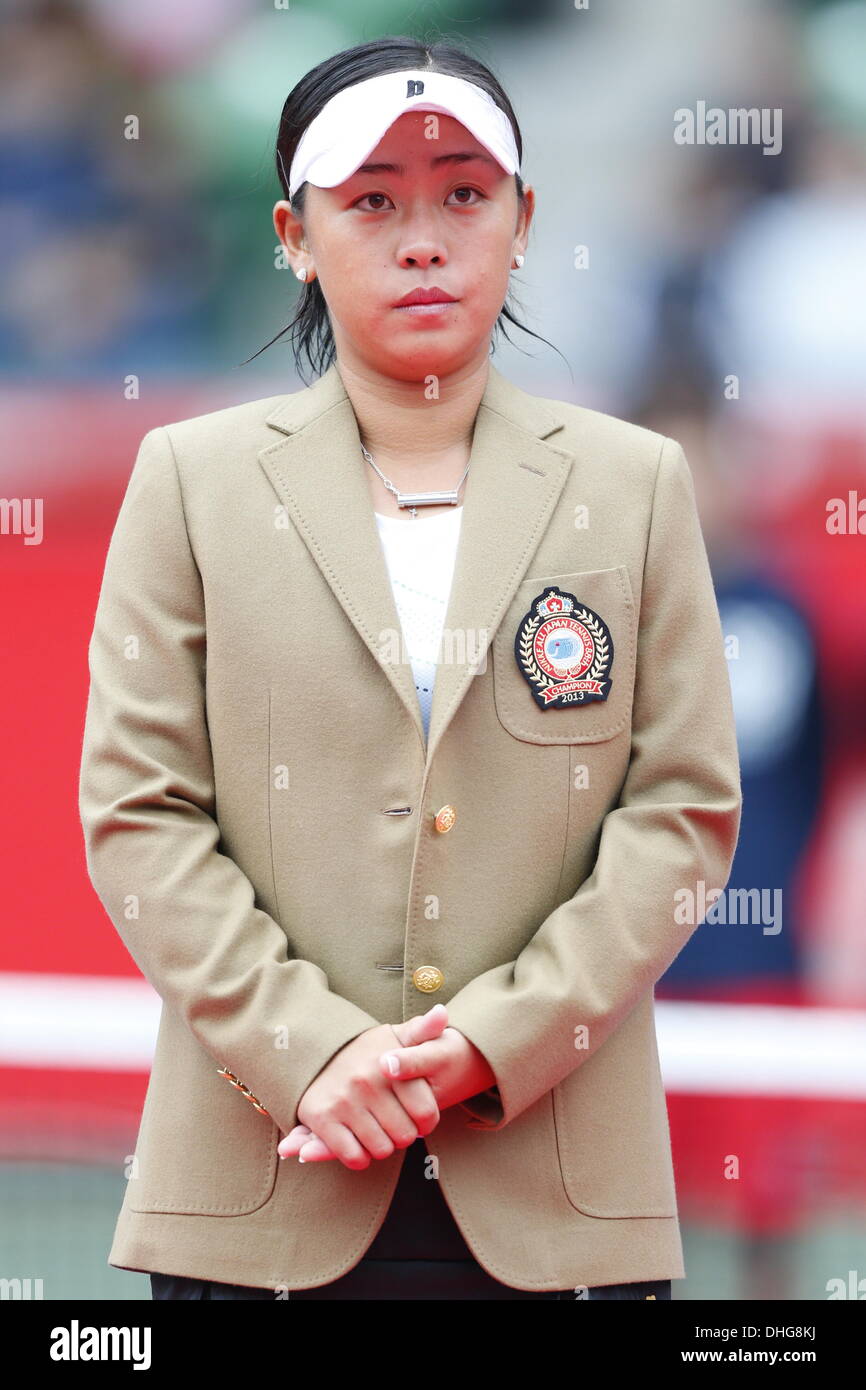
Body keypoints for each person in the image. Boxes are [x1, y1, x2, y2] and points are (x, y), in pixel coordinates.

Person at [78, 35, 742, 1301]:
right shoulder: (192, 482)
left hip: (558, 1196)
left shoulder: (633, 484)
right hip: (260, 1184)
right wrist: (313, 1052)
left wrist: (493, 1042)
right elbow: (137, 810)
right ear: (292, 232)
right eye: (371, 200)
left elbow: (680, 813)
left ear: (524, 219)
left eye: (463, 194)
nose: (423, 238)